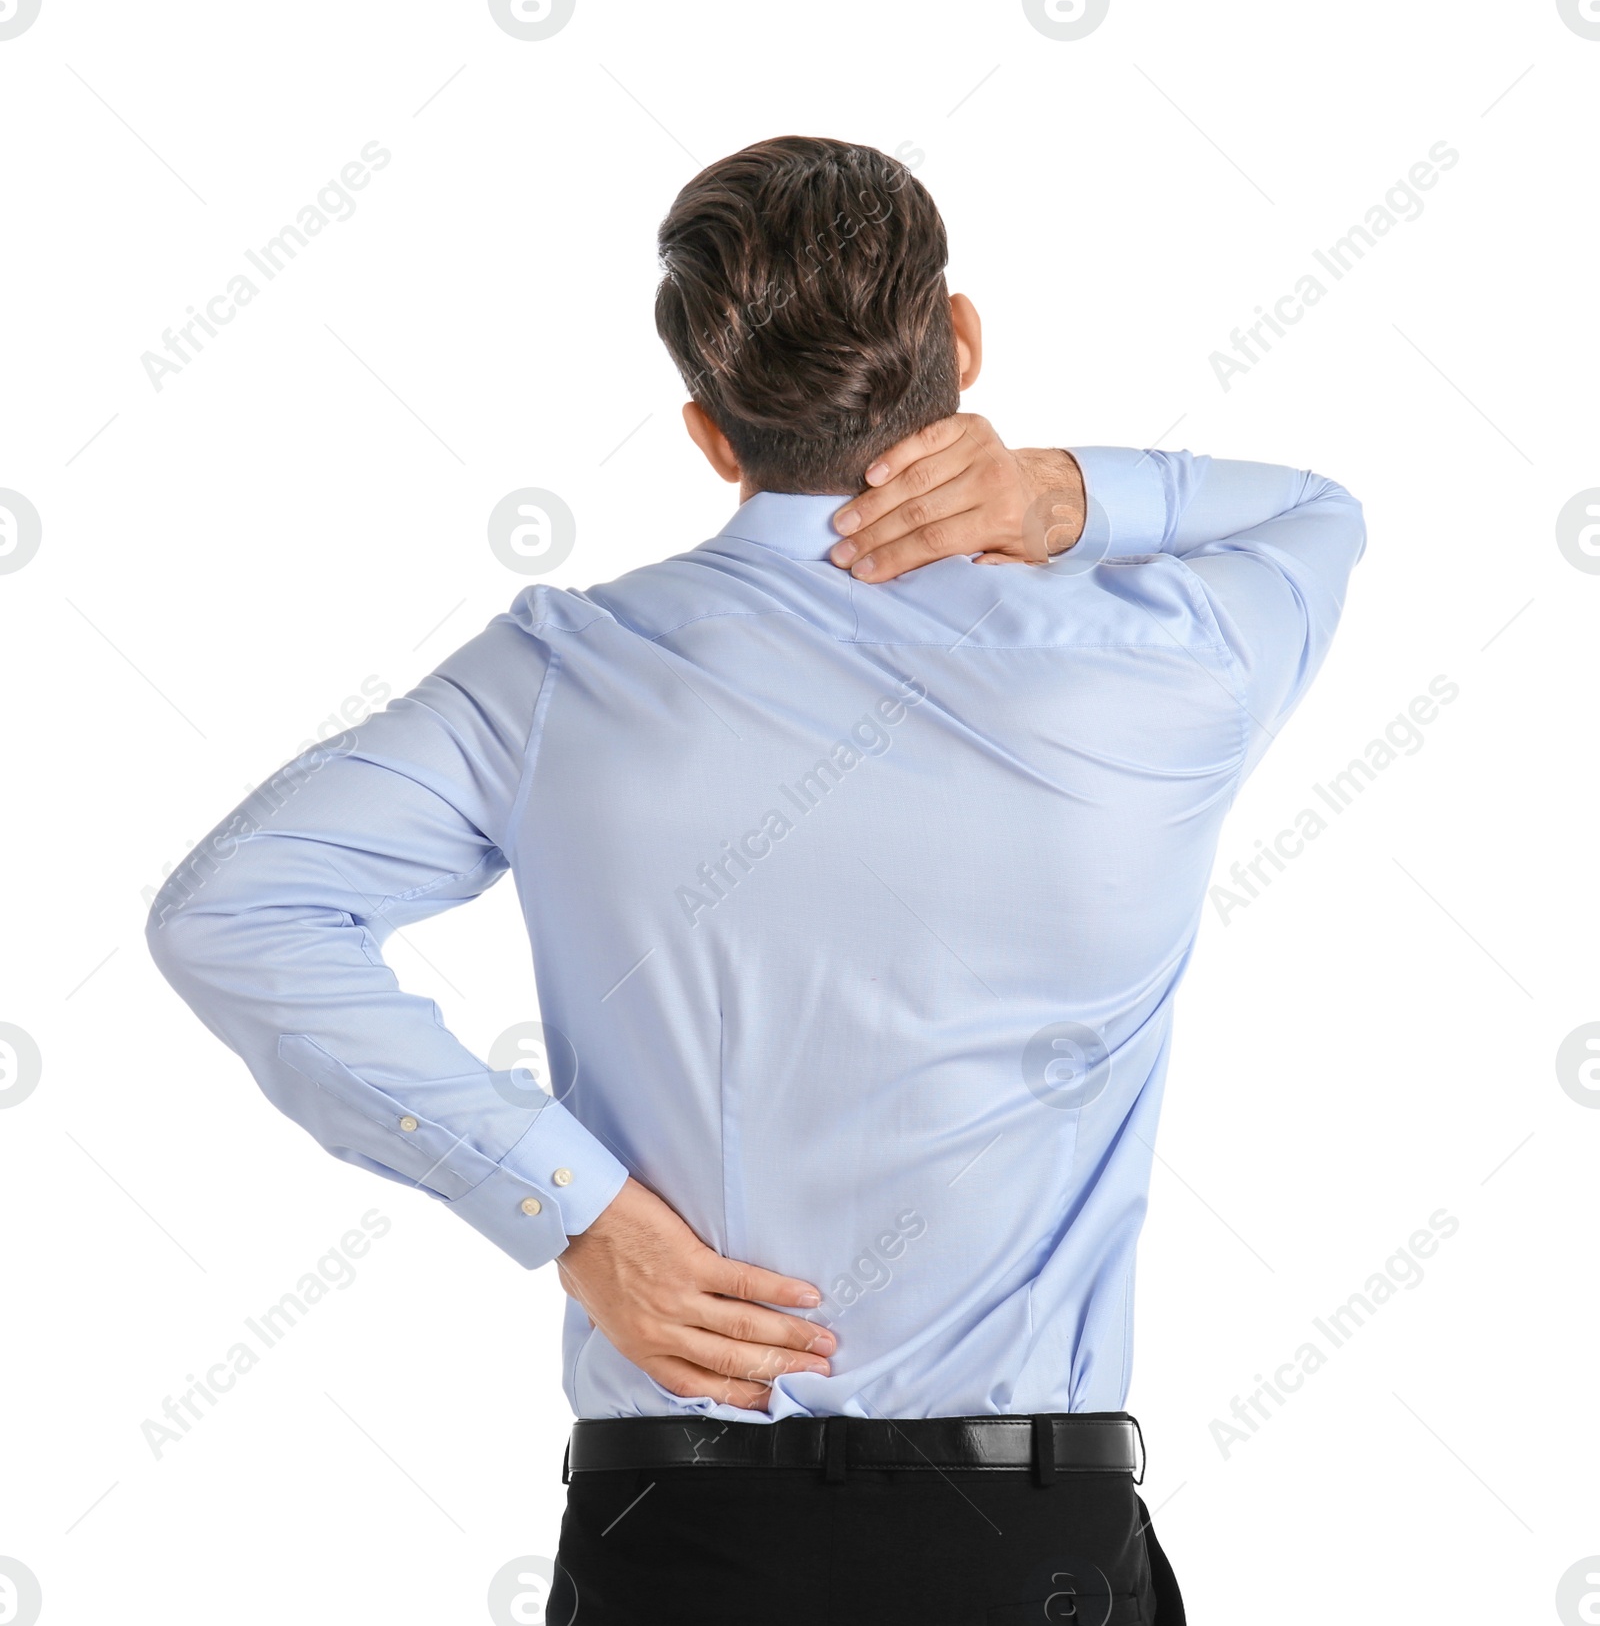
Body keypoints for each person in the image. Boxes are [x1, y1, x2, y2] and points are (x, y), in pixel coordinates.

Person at [148, 135, 1365, 1623]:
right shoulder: (1173, 662)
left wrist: (572, 1206)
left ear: (709, 435)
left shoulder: (558, 678)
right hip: (1026, 1543)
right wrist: (1060, 493)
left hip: (678, 1532)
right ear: (963, 345)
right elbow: (1317, 516)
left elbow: (236, 906)